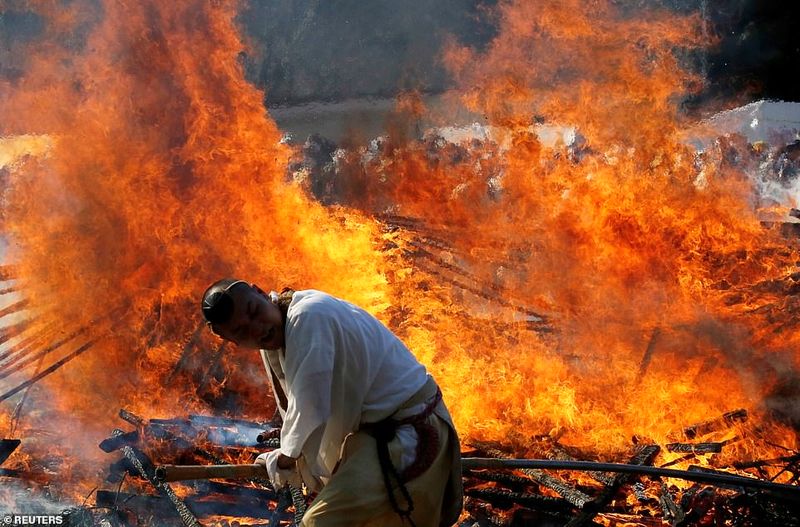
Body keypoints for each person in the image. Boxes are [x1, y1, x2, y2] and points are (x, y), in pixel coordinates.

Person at [200, 279, 463, 527]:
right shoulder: (282, 333)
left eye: (255, 311)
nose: (257, 328)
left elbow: (311, 406)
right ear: (232, 342)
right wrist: (289, 454)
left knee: (319, 522)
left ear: (260, 292)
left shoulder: (309, 316)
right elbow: (305, 406)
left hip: (410, 431)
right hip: (377, 435)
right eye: (242, 331)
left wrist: (288, 456)